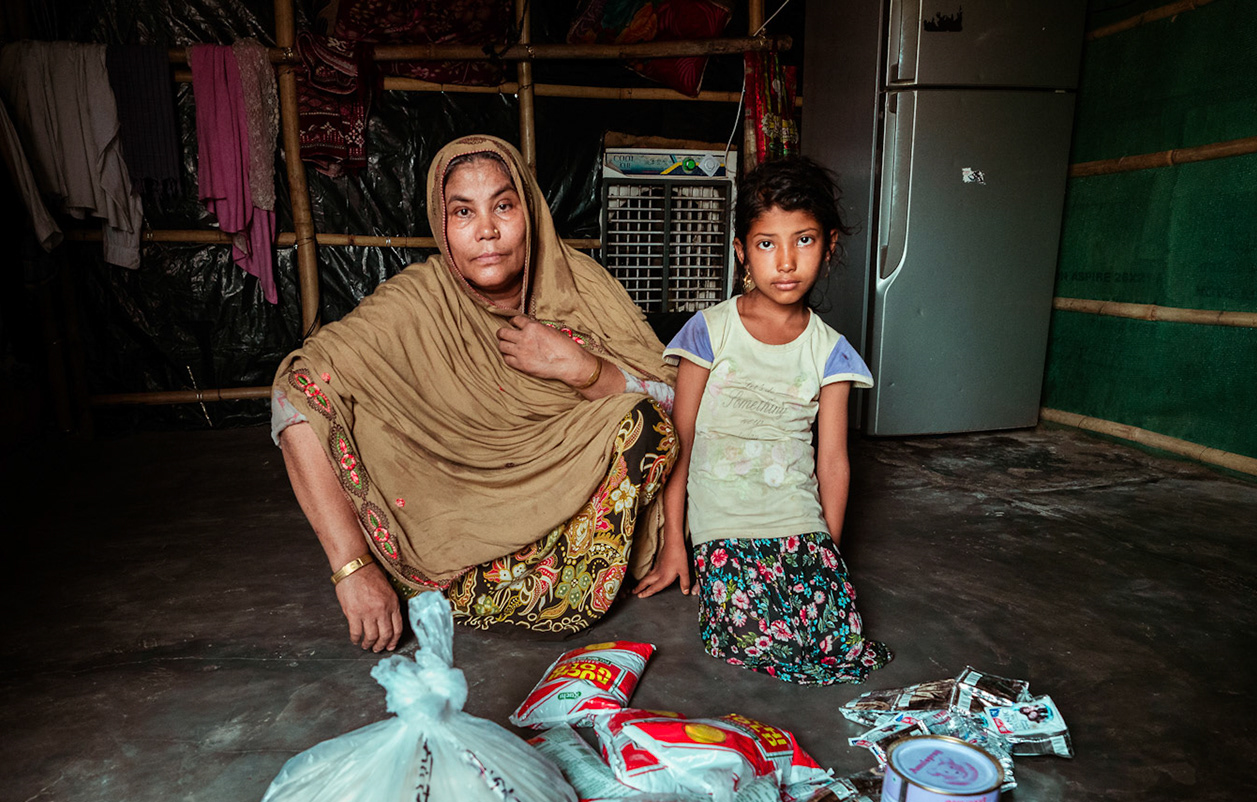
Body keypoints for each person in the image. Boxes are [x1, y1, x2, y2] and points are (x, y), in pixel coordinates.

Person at [272, 136, 678, 650]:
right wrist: (351, 567)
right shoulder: (418, 302)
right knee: (341, 397)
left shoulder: (581, 285)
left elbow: (680, 400)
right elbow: (294, 392)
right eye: (463, 212)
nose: (487, 231)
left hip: (566, 514)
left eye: (503, 206)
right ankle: (456, 575)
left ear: (529, 211)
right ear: (442, 225)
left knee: (645, 423)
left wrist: (584, 369)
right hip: (456, 519)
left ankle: (553, 586)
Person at [634, 156, 891, 685]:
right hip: (725, 524)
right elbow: (677, 444)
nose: (786, 262)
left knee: (835, 634)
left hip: (797, 520)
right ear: (742, 252)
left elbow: (834, 462)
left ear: (831, 246)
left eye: (805, 240)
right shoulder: (710, 332)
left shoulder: (831, 352)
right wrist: (674, 542)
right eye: (767, 243)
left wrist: (827, 556)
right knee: (752, 635)